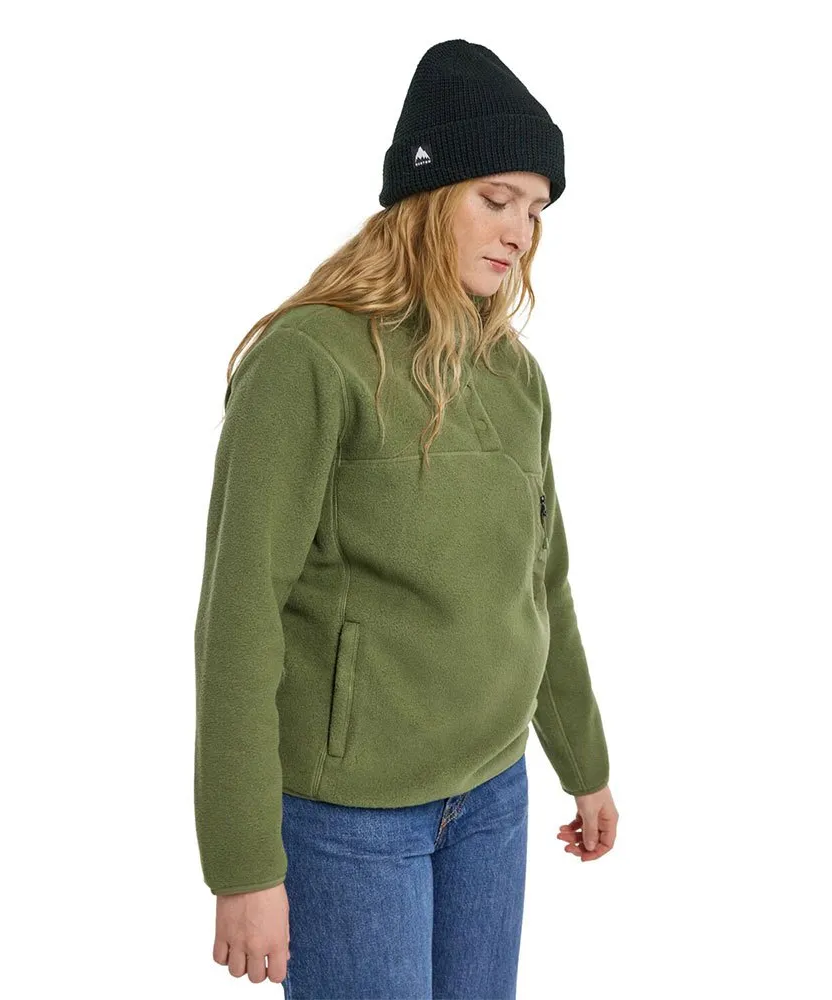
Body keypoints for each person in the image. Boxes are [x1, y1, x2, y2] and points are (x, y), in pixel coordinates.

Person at [193, 38, 619, 999]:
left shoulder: (512, 373)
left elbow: (541, 581)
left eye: (535, 210)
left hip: (492, 797)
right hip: (353, 819)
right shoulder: (308, 359)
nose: (519, 233)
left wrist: (583, 764)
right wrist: (243, 864)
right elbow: (238, 618)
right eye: (496, 199)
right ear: (428, 193)